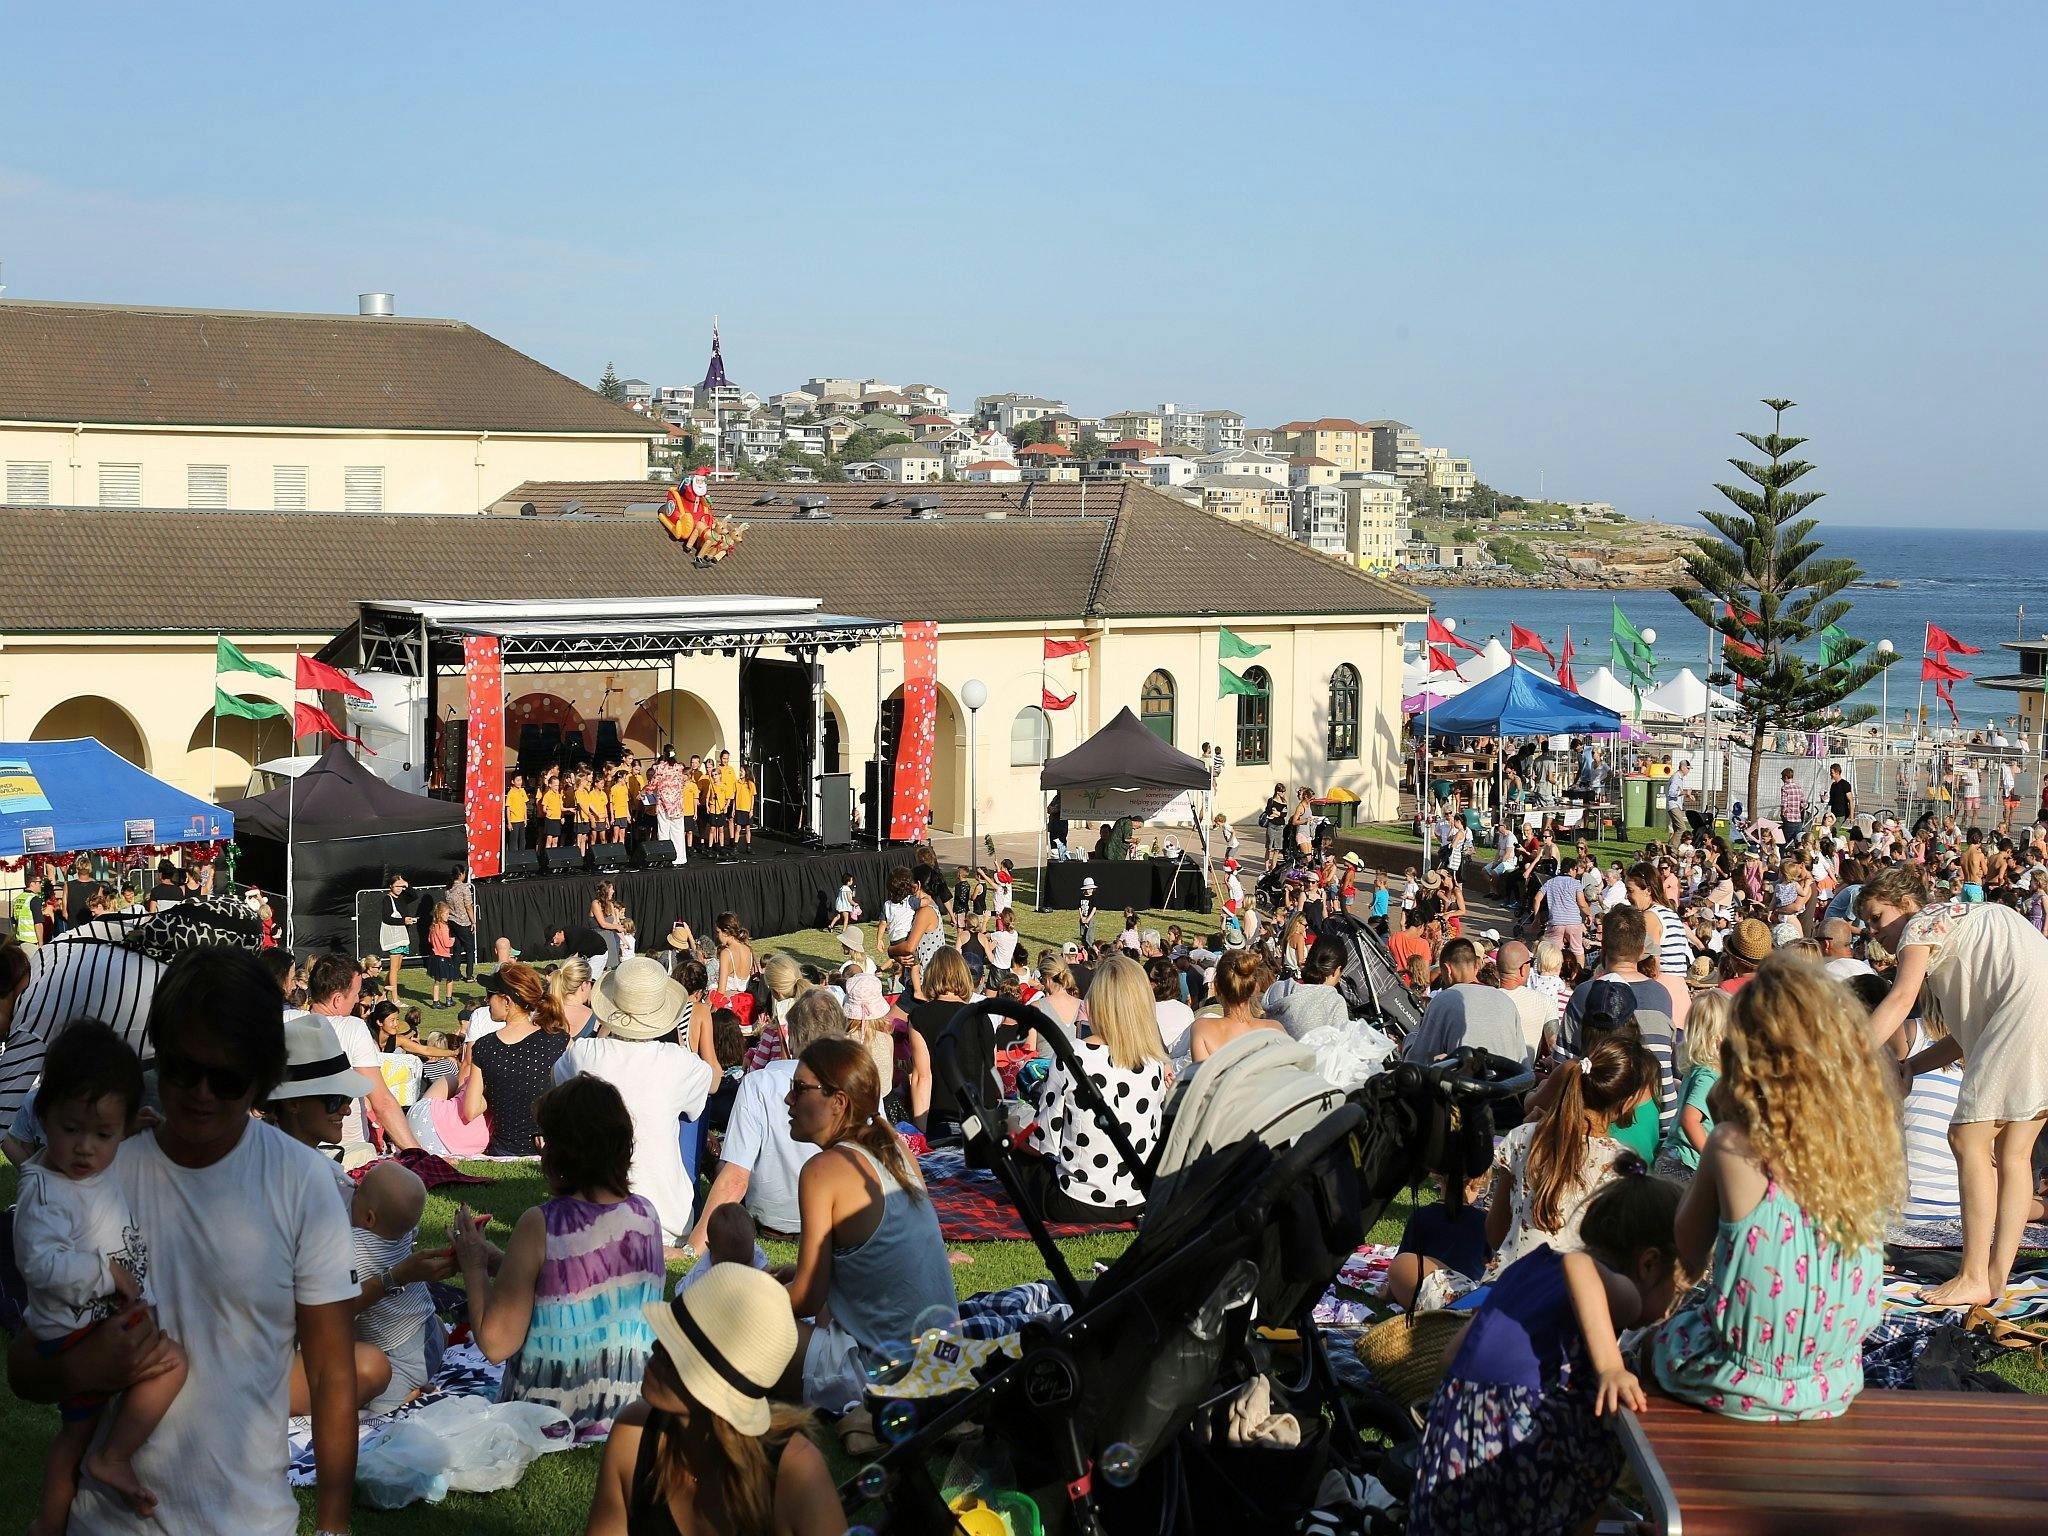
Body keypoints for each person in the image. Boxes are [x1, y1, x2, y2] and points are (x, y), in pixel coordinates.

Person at [7, 948, 359, 1536]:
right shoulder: (94, 1170)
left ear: (262, 1078)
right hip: (107, 1523)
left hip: (249, 1521)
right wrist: (83, 1369)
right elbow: (24, 1364)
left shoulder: (305, 1185)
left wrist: (333, 1526)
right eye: (180, 1068)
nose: (199, 1092)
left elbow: (331, 1374)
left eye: (226, 1079)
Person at [1652, 956, 1901, 1419]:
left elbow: (1685, 1249)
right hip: (1833, 1379)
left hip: (1741, 1378)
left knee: (1642, 1343)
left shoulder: (1731, 1146)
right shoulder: (1861, 1151)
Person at [1409, 1177, 1683, 1536]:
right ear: (1649, 1264)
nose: (1670, 1312)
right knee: (1607, 1418)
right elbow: (1579, 1267)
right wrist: (1611, 1368)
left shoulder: (1528, 1269)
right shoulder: (1624, 1291)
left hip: (1451, 1448)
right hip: (1511, 1448)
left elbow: (1450, 1357)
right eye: (1677, 1293)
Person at [15, 1022, 189, 1531]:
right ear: (44, 1117)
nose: (86, 1149)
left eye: (104, 1134)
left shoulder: (94, 1167)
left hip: (91, 1324)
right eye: (71, 1130)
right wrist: (106, 1272)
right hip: (73, 1334)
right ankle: (109, 1461)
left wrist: (130, 1130)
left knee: (74, 1436)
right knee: (170, 1362)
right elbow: (38, 1263)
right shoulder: (44, 1192)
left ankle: (53, 1519)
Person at [1858, 863, 2048, 1306]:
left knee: (1966, 1138)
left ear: (1906, 905)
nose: (1873, 932)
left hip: (2024, 1009)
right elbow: (1965, 1040)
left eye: (1877, 918)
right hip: (2040, 1007)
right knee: (2015, 1153)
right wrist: (1912, 1068)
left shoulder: (1921, 925)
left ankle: (1972, 1274)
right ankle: (1997, 1277)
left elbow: (1901, 998)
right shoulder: (1969, 924)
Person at [454, 1075, 665, 1442]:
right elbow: (568, 1288)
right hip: (628, 1411)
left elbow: (495, 1343)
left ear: (562, 1149)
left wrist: (473, 1264)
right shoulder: (646, 1215)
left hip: (549, 1417)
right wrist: (497, 1261)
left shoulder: (543, 1223)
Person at [584, 1265, 847, 1536]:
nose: (657, 1347)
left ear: (722, 1388)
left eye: (680, 1348)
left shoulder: (795, 1473)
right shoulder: (634, 1436)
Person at [779, 1037, 957, 1410]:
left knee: (737, 1323)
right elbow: (873, 1263)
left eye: (799, 1089)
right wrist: (791, 1276)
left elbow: (808, 1296)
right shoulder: (893, 1146)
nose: (788, 1100)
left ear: (838, 1102)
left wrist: (746, 1292)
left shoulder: (822, 1171)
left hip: (880, 1374)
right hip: (941, 1365)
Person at [553, 956, 716, 1251]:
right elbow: (709, 1087)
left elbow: (557, 1084)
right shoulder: (680, 1063)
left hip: (591, 1214)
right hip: (664, 1218)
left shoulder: (584, 1053)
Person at [686, 990, 847, 1249]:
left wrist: (693, 1248)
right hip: (837, 1219)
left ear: (790, 1038)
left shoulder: (761, 1084)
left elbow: (735, 1177)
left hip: (786, 1219)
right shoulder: (856, 1079)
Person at [1487, 1034, 1656, 1278]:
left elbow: (1494, 1233)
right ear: (1628, 1101)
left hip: (1505, 1288)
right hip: (1573, 1299)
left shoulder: (1522, 1137)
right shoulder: (1622, 1163)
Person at [1021, 955, 1169, 1221]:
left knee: (1013, 1157)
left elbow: (1044, 1141)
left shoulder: (1073, 1055)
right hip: (1137, 1198)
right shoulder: (1155, 1061)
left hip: (1077, 1200)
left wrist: (1012, 1139)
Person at [300, 951, 419, 1155]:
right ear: (337, 999)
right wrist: (418, 1154)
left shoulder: (287, 1021)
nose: (357, 1000)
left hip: (293, 1150)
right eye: (355, 994)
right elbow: (381, 1101)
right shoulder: (352, 1028)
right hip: (346, 1151)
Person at [347, 1161, 442, 1413]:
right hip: (431, 1331)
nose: (352, 1195)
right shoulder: (405, 1234)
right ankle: (419, 1380)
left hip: (399, 1355)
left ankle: (406, 1394)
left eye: (357, 1193)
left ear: (369, 1217)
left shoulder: (352, 1246)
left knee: (370, 1403)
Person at [465, 961, 570, 1158]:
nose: (487, 1001)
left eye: (490, 995)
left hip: (504, 1151)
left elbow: (470, 1110)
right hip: (552, 1147)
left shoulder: (484, 1047)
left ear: (507, 1001)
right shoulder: (560, 1040)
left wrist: (500, 1084)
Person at [1402, 937, 1530, 1067]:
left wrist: (1408, 1041)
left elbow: (1418, 1060)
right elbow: (1522, 1059)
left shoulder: (1443, 1001)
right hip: (1504, 1082)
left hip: (1463, 1082)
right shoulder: (1506, 1001)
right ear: (1476, 967)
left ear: (1447, 970)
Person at [1655, 989, 1730, 1183]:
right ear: (1719, 1038)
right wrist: (1712, 1158)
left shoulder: (1696, 1069)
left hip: (1672, 1156)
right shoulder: (1709, 1076)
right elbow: (1690, 1119)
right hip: (1686, 1164)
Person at [1190, 950, 1285, 1063]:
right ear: (1255, 987)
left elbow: (1202, 1077)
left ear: (1216, 987)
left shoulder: (1202, 1028)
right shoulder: (1275, 1029)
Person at [1266, 936, 1352, 1040]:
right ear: (1337, 971)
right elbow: (1341, 1044)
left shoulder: (1279, 988)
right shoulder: (1334, 1002)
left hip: (1275, 1052)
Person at [1497, 939, 1554, 1059]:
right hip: (1525, 1075)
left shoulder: (1485, 1000)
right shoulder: (1544, 1002)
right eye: (1530, 962)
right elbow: (1554, 1044)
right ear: (1523, 969)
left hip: (1486, 1074)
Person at [1533, 859, 1591, 960]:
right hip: (1573, 922)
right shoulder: (1576, 883)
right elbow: (1582, 903)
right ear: (1572, 869)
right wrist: (1589, 914)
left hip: (1556, 921)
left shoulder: (1550, 882)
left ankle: (1554, 971)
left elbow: (1536, 898)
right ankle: (1579, 972)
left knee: (1553, 951)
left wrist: (1536, 917)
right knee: (1577, 950)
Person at [650, 748, 690, 865]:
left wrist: (644, 792)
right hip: (677, 804)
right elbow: (683, 783)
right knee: (678, 832)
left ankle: (665, 857)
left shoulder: (660, 768)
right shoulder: (679, 768)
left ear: (664, 754)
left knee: (663, 831)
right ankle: (680, 858)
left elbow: (653, 785)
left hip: (663, 804)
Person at [377, 872, 414, 998]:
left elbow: (414, 895)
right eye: (397, 886)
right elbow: (387, 918)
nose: (400, 889)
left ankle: (383, 994)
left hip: (402, 936)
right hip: (394, 937)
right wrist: (403, 921)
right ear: (390, 886)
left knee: (397, 968)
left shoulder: (402, 897)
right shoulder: (387, 899)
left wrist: (406, 884)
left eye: (401, 887)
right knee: (393, 969)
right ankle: (395, 998)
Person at [444, 864, 478, 981]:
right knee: (469, 949)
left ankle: (456, 974)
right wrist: (473, 921)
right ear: (461, 874)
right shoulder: (464, 888)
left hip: (452, 921)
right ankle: (469, 975)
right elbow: (468, 906)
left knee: (457, 948)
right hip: (463, 922)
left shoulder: (448, 889)